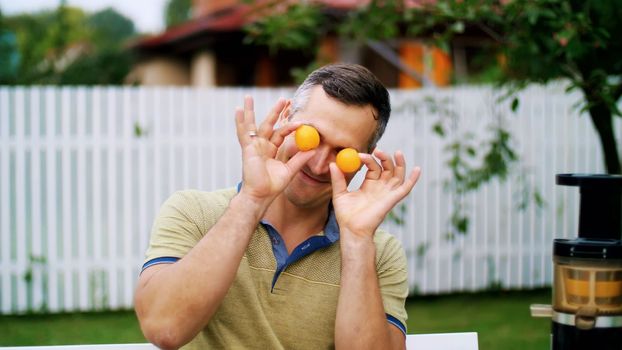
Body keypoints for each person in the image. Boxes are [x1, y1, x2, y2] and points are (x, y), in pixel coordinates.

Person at [134, 63, 421, 350]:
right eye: (311, 137)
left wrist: (358, 240)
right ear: (286, 117)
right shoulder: (193, 212)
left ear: (364, 159)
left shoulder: (378, 253)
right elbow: (164, 328)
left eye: (342, 153)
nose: (318, 164)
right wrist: (251, 200)